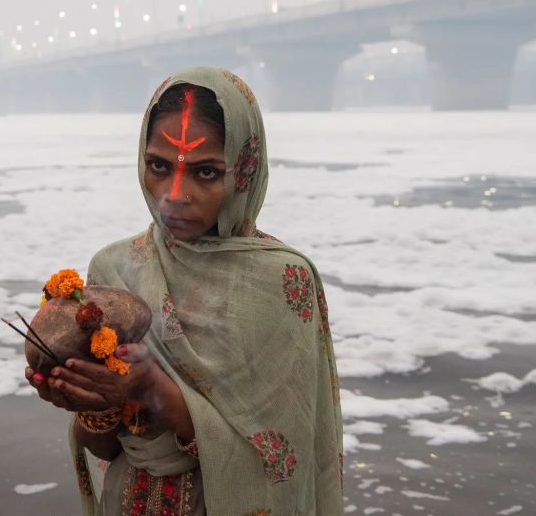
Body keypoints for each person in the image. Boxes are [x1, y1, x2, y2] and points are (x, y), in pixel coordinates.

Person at [25, 66, 343, 515]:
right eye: (159, 166)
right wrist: (87, 400)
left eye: (206, 172)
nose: (174, 194)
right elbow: (105, 446)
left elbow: (282, 461)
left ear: (245, 172)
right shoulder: (114, 269)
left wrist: (158, 392)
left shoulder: (281, 283)